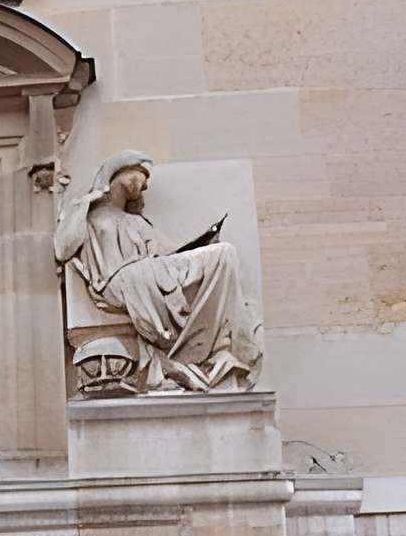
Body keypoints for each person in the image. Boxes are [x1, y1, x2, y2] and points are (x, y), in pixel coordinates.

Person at [54, 149, 261, 398]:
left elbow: (166, 255)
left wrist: (202, 244)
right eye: (141, 177)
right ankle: (221, 348)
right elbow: (63, 248)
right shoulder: (88, 212)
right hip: (121, 283)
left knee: (223, 254)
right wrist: (87, 202)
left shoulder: (138, 222)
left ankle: (223, 348)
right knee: (222, 254)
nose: (145, 186)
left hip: (149, 276)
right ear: (121, 173)